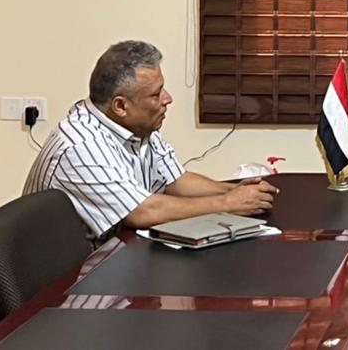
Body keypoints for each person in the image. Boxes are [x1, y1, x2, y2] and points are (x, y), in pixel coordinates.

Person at [23, 40, 277, 242]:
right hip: (69, 279)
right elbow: (142, 212)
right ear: (121, 106)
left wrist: (233, 190)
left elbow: (175, 180)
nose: (168, 99)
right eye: (156, 94)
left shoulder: (136, 126)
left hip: (116, 255)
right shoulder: (81, 146)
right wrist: (227, 204)